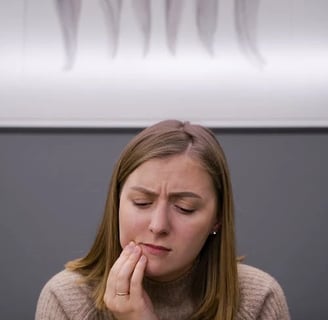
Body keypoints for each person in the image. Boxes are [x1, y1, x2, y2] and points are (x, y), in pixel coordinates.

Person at [35, 119, 290, 320]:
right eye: (142, 203)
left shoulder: (258, 299)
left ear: (217, 219)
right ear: (116, 204)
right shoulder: (66, 299)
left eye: (185, 208)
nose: (158, 225)